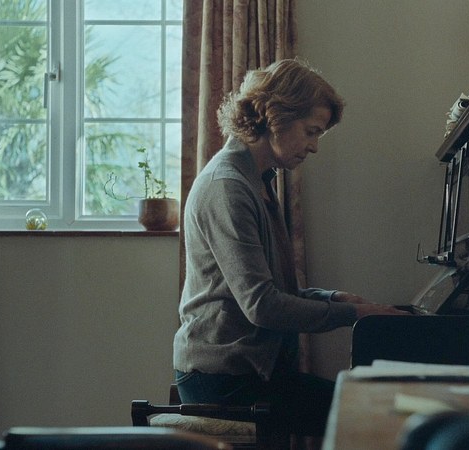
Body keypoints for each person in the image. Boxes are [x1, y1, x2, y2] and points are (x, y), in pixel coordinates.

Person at [173, 58, 407, 439]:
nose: (314, 147)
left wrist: (334, 298)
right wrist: (352, 314)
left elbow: (276, 292)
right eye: (311, 132)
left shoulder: (257, 181)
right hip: (222, 379)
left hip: (248, 373)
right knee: (367, 411)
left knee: (368, 404)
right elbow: (262, 306)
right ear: (276, 115)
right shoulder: (228, 187)